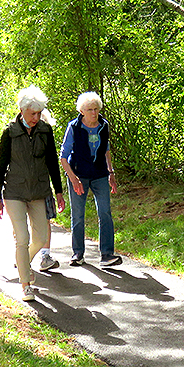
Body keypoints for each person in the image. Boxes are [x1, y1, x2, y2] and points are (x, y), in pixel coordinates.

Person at [0, 86, 65, 300]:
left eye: (39, 113)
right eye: (33, 113)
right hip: (14, 192)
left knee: (41, 237)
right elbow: (1, 164)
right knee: (22, 238)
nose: (37, 117)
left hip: (39, 191)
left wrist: (58, 191)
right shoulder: (10, 132)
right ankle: (26, 284)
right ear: (23, 110)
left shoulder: (45, 130)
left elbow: (52, 161)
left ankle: (23, 262)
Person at [59, 91, 121, 267]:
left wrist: (111, 173)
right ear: (82, 111)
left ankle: (107, 254)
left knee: (105, 212)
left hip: (100, 174)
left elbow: (106, 149)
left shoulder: (104, 125)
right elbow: (63, 157)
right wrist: (73, 178)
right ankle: (78, 253)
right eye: (89, 109)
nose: (94, 113)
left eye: (96, 109)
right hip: (78, 174)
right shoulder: (74, 127)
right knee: (78, 215)